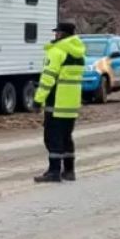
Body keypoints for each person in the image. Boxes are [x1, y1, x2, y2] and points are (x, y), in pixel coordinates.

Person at [34, 22, 86, 183]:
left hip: (56, 101)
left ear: (62, 34)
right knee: (66, 136)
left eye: (57, 32)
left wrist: (38, 99)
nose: (55, 35)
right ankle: (69, 171)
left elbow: (48, 79)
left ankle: (54, 171)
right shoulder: (79, 54)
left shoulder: (57, 52)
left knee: (52, 137)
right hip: (71, 103)